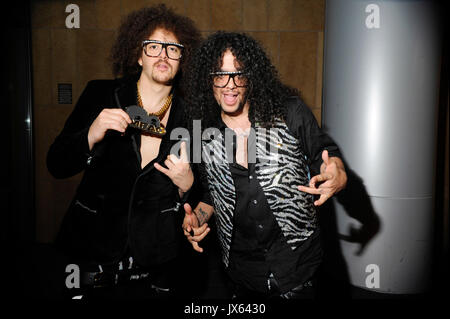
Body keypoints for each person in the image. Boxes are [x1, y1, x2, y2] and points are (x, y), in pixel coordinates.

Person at [46, 4, 201, 299]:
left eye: (173, 49)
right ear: (138, 55)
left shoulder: (193, 116)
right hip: (92, 256)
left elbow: (202, 194)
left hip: (157, 265)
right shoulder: (101, 94)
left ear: (183, 58)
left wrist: (188, 187)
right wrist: (90, 135)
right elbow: (56, 164)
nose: (163, 55)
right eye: (154, 46)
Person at [182, 32, 348, 299]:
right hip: (242, 273)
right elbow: (213, 194)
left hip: (297, 265)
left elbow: (325, 153)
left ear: (252, 77)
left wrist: (337, 173)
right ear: (208, 79)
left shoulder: (289, 111)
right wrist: (196, 220)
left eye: (239, 74)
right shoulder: (204, 132)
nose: (230, 85)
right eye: (220, 75)